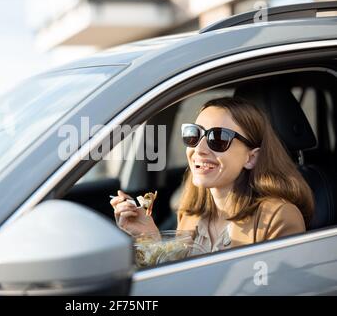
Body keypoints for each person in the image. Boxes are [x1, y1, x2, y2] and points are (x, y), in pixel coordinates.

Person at [110, 97, 314, 254]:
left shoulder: (279, 217)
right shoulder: (191, 214)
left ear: (251, 158)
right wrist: (149, 235)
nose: (199, 148)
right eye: (194, 134)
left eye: (218, 138)